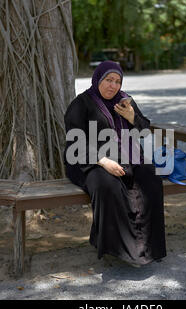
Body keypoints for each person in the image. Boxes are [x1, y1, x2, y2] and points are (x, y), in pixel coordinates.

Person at [64, 61, 166, 266]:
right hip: (90, 160)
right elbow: (75, 141)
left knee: (151, 180)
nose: (113, 86)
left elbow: (144, 131)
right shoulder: (81, 104)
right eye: (108, 80)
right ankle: (119, 248)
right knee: (107, 186)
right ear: (98, 79)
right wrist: (103, 161)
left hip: (128, 156)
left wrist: (132, 117)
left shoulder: (125, 101)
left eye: (117, 81)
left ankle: (148, 248)